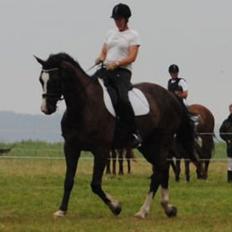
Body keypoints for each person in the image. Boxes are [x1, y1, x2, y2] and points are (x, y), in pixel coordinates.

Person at [95, 3, 142, 147]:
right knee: (90, 88)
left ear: (126, 19)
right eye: (115, 19)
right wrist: (100, 58)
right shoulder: (110, 33)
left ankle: (134, 132)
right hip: (107, 69)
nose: (117, 22)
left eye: (119, 19)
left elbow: (132, 57)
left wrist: (117, 63)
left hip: (122, 72)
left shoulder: (133, 35)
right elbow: (104, 51)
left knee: (122, 98)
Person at [219, 104, 232, 182]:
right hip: (230, 146)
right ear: (229, 110)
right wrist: (227, 140)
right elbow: (221, 132)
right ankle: (230, 180)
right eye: (231, 109)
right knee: (230, 164)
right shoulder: (226, 122)